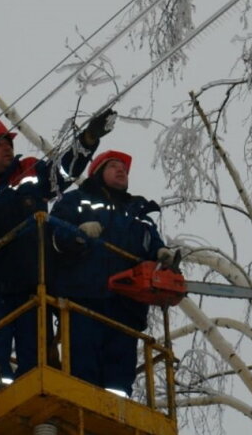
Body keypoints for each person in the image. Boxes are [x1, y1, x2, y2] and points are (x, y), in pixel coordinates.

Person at [0, 111, 115, 385]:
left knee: (36, 354)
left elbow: (63, 172)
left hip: (33, 282)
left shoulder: (30, 171)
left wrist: (87, 141)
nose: (8, 147)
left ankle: (37, 392)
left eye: (9, 142)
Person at [50, 150, 173, 396]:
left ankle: (117, 413)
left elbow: (151, 243)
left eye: (124, 169)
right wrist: (78, 233)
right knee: (84, 363)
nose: (121, 171)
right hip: (85, 297)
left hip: (127, 305)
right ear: (97, 173)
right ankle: (83, 406)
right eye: (114, 166)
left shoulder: (139, 213)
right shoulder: (76, 200)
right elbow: (53, 234)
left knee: (119, 373)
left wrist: (161, 254)